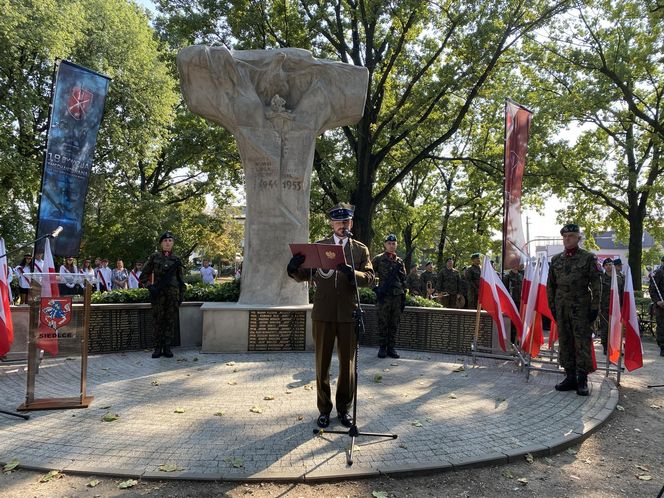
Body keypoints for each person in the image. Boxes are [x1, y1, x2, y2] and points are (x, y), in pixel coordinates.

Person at [286, 203, 374, 429]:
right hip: (323, 313)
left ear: (351, 223)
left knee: (347, 366)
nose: (342, 225)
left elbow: (371, 278)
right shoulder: (319, 247)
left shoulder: (359, 250)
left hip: (348, 313)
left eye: (346, 221)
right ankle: (324, 409)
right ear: (331, 223)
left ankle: (344, 409)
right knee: (322, 364)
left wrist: (353, 273)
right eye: (338, 221)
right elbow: (306, 275)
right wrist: (293, 268)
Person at [547, 224, 600, 396]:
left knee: (582, 342)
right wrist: (552, 306)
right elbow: (551, 286)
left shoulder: (588, 258)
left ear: (578, 238)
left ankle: (582, 379)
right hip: (561, 307)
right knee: (565, 341)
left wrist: (594, 308)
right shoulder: (556, 260)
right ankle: (570, 376)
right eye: (565, 236)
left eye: (571, 235)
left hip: (581, 307)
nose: (567, 239)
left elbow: (596, 285)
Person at [140, 232, 186, 359]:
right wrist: (150, 287)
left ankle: (167, 347)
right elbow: (143, 276)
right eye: (165, 240)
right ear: (161, 243)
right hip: (158, 295)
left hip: (172, 295)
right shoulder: (154, 257)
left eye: (170, 240)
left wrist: (181, 295)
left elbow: (181, 280)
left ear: (173, 243)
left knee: (170, 321)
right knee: (158, 321)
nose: (167, 242)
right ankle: (157, 348)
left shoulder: (176, 259)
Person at [372, 234, 407, 359]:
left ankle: (391, 348)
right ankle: (382, 347)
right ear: (385, 245)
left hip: (397, 296)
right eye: (389, 243)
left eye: (394, 244)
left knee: (394, 322)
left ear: (396, 245)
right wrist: (375, 288)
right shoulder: (378, 259)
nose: (391, 246)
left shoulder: (399, 261)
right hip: (384, 296)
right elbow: (369, 274)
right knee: (383, 322)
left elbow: (404, 279)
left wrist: (404, 294)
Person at [596, 258, 624, 355]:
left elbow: (623, 294)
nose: (608, 266)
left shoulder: (619, 279)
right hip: (605, 307)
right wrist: (598, 306)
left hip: (617, 308)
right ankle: (606, 347)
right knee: (606, 328)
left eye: (610, 264)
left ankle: (617, 348)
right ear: (603, 266)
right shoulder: (600, 279)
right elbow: (597, 293)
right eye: (606, 265)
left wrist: (623, 307)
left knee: (617, 328)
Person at [503, 263, 524, 343]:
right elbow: (505, 289)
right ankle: (511, 339)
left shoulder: (520, 276)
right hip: (511, 301)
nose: (516, 266)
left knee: (518, 319)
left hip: (519, 300)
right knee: (511, 320)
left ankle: (517, 338)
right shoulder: (508, 276)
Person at [648, 255, 664, 357]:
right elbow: (652, 289)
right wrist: (658, 301)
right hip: (662, 305)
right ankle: (663, 347)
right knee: (662, 326)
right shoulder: (659, 273)